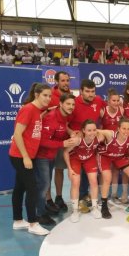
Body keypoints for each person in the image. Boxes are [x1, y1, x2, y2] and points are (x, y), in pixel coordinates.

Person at [9, 83, 51, 236]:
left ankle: (18, 220)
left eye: (50, 95)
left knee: (19, 188)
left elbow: (33, 125)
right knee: (32, 188)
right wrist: (26, 156)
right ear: (37, 94)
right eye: (45, 95)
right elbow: (18, 133)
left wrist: (44, 114)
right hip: (20, 156)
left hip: (25, 156)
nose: (48, 98)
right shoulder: (28, 109)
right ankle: (33, 223)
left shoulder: (37, 111)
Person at [34, 94, 78, 225]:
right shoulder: (51, 117)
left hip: (51, 155)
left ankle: (43, 208)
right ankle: (39, 214)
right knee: (43, 185)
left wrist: (70, 133)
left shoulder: (63, 116)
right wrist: (62, 144)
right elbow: (42, 140)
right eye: (68, 104)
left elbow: (61, 129)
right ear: (61, 104)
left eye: (73, 104)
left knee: (45, 183)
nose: (71, 107)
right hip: (42, 156)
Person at [68, 79, 106, 212]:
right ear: (81, 91)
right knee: (76, 177)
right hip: (76, 144)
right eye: (88, 91)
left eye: (93, 91)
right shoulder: (74, 103)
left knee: (90, 174)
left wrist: (99, 131)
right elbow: (65, 123)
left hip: (91, 143)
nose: (91, 94)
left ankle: (85, 197)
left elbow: (106, 110)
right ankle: (78, 200)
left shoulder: (98, 100)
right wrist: (72, 133)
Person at [63, 119, 102, 223]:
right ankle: (75, 210)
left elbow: (107, 133)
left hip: (89, 158)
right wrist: (69, 169)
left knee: (94, 181)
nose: (92, 132)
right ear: (83, 131)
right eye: (89, 130)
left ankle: (94, 208)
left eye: (94, 130)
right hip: (75, 159)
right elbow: (65, 152)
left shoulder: (99, 137)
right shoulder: (77, 140)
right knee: (75, 182)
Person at [46, 71, 72, 214]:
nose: (66, 83)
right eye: (63, 80)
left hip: (63, 142)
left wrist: (70, 133)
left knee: (59, 169)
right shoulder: (50, 96)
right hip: (49, 142)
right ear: (56, 82)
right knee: (47, 172)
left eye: (67, 80)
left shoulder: (70, 97)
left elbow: (67, 122)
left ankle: (59, 197)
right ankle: (48, 199)